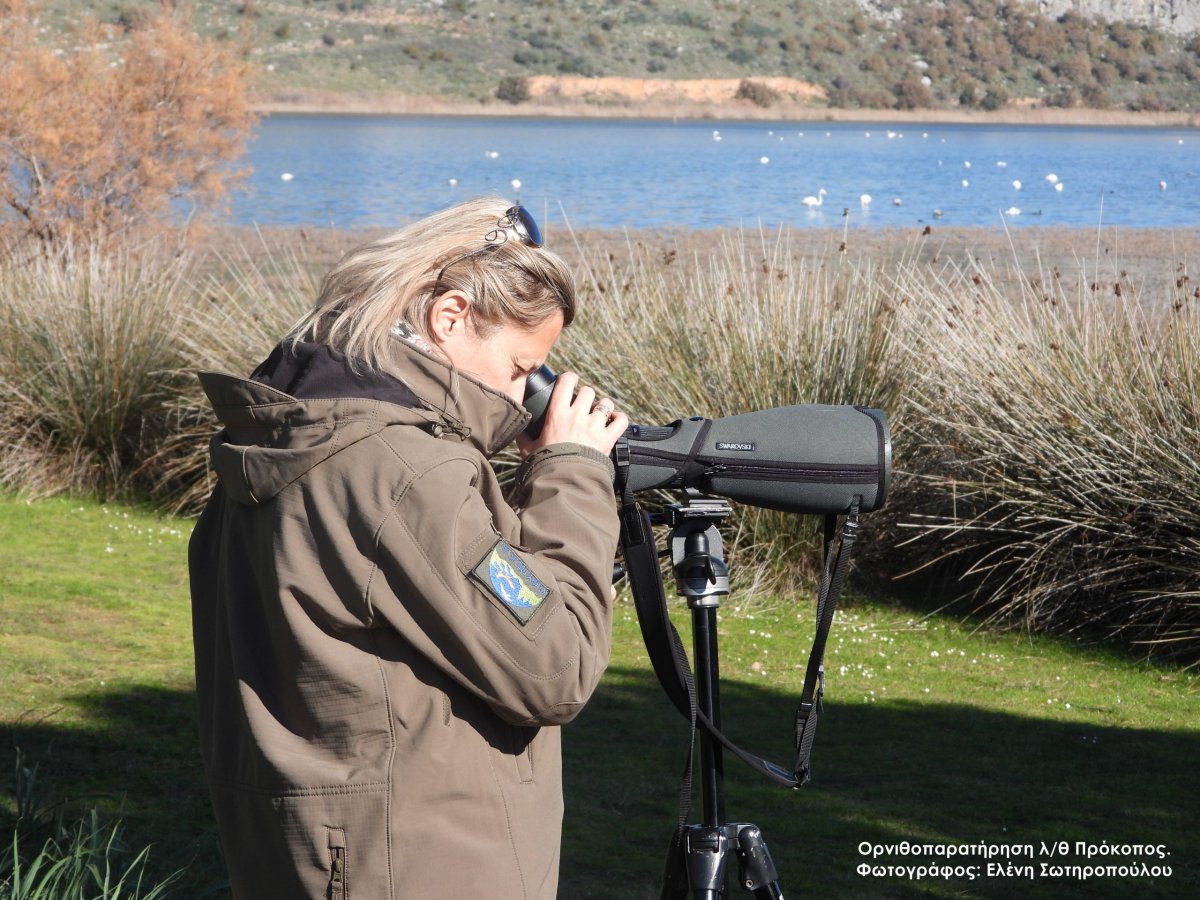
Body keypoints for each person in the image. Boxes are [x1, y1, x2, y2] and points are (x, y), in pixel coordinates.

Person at [188, 197, 629, 899]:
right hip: (422, 862)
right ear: (449, 318)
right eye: (520, 367)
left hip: (317, 853)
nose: (524, 397)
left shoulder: (285, 426)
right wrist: (572, 472)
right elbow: (556, 664)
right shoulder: (407, 471)